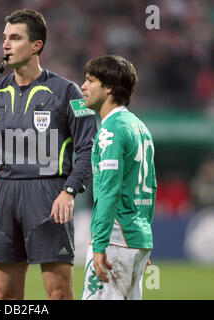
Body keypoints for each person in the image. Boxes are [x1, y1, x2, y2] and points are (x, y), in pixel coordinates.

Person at [0, 9, 97, 300]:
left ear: (36, 46)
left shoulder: (66, 92)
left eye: (14, 38)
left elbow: (88, 148)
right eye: (4, 37)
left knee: (58, 293)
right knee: (4, 295)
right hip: (3, 193)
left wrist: (69, 191)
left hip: (48, 193)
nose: (5, 44)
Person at [80, 55, 157, 300]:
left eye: (90, 80)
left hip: (115, 237)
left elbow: (108, 191)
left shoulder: (111, 130)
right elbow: (152, 188)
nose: (83, 86)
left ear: (109, 87)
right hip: (137, 238)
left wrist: (99, 244)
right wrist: (144, 237)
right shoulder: (140, 127)